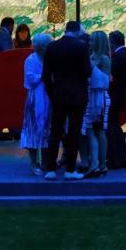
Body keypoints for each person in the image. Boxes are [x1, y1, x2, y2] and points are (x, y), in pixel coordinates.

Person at [43, 21, 91, 180]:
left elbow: (46, 75)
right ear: (77, 31)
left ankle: (50, 168)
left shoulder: (52, 47)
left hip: (58, 95)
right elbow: (86, 72)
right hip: (77, 96)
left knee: (55, 131)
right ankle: (70, 169)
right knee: (74, 132)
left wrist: (52, 93)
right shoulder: (82, 47)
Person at [21, 33, 53, 175]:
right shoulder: (31, 60)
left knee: (47, 128)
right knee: (33, 129)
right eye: (47, 45)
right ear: (41, 47)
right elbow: (30, 78)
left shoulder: (50, 59)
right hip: (35, 98)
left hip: (49, 96)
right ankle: (34, 162)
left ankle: (45, 161)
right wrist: (45, 76)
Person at [83, 31, 113, 176]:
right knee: (92, 129)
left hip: (99, 98)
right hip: (91, 96)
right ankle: (98, 163)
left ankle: (101, 164)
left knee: (99, 130)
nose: (89, 43)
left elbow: (105, 80)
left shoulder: (103, 59)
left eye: (92, 40)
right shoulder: (93, 57)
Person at [107, 30, 126, 170]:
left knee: (113, 128)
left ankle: (117, 159)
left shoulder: (119, 56)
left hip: (114, 96)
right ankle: (118, 159)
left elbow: (112, 76)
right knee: (114, 128)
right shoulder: (123, 54)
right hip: (118, 96)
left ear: (112, 42)